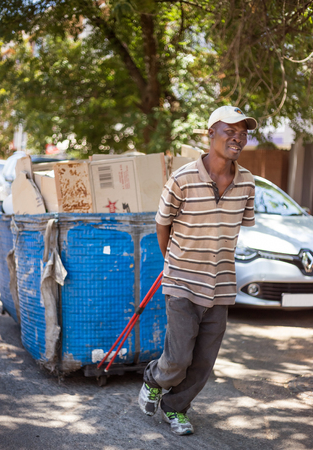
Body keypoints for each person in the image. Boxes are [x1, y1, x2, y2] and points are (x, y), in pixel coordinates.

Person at [138, 105, 257, 435]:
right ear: (210, 134)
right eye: (229, 131)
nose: (238, 138)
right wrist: (174, 263)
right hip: (182, 283)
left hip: (220, 287)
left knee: (204, 362)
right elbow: (163, 225)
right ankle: (153, 379)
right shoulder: (182, 178)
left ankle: (175, 408)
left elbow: (239, 226)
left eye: (243, 133)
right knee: (178, 359)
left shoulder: (247, 183)